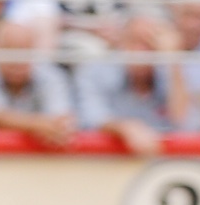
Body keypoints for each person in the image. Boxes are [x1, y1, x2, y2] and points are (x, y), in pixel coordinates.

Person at [77, 13, 188, 146]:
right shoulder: (96, 71)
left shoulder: (171, 71)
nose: (140, 52)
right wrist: (124, 128)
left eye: (149, 43)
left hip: (164, 163)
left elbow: (184, 122)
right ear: (121, 43)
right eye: (133, 41)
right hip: (104, 163)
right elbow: (91, 119)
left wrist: (173, 59)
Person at [0, 18, 77, 143]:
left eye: (24, 52)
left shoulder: (50, 73)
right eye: (9, 52)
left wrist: (52, 126)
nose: (17, 60)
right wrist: (39, 125)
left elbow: (62, 119)